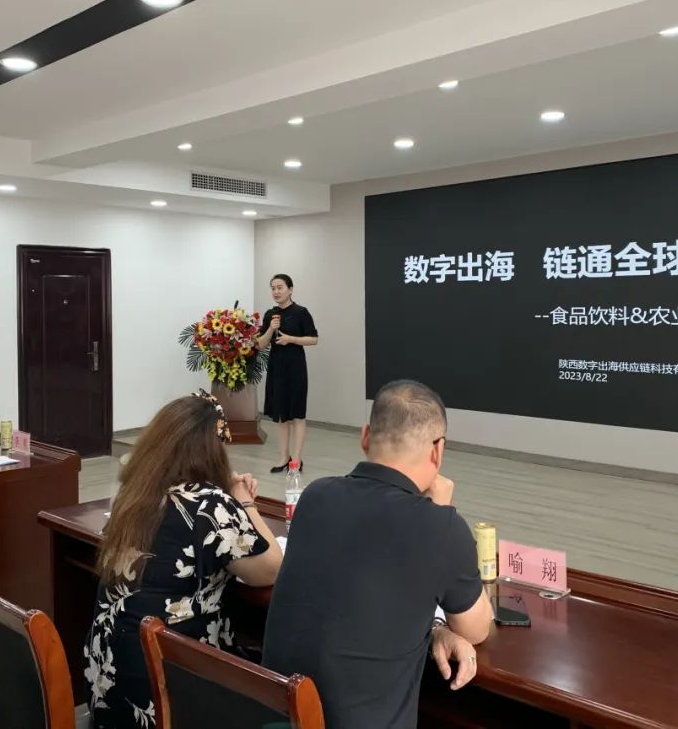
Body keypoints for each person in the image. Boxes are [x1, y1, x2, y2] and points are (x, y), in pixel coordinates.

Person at [262, 380, 493, 729]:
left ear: (365, 436)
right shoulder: (440, 528)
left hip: (277, 717)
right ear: (438, 451)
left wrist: (435, 629)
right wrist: (440, 512)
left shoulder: (315, 496)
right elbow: (476, 629)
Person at [86, 391, 283, 728]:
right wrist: (245, 501)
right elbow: (271, 569)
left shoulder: (133, 496)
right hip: (167, 697)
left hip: (110, 693)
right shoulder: (210, 505)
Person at [255, 274, 319, 474]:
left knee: (297, 415)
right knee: (281, 416)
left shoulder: (301, 312)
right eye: (273, 288)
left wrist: (291, 339)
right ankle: (283, 457)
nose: (276, 291)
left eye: (280, 287)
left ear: (290, 289)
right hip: (276, 368)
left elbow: (313, 339)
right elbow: (260, 344)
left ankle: (296, 460)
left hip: (296, 368)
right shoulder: (270, 314)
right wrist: (270, 329)